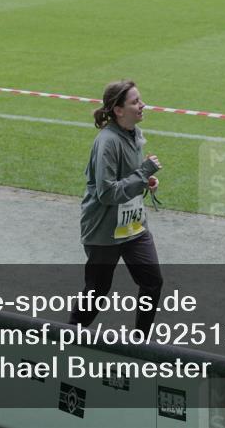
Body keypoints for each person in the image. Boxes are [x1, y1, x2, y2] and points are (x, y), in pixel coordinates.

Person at [69, 79, 163, 334]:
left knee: (152, 282)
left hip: (133, 227)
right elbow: (107, 193)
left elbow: (129, 178)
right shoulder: (107, 142)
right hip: (104, 231)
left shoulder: (135, 134)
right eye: (135, 102)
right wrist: (143, 173)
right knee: (97, 292)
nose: (142, 105)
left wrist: (146, 181)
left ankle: (139, 344)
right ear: (118, 110)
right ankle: (66, 337)